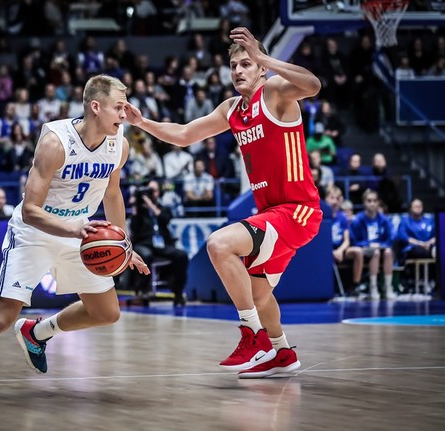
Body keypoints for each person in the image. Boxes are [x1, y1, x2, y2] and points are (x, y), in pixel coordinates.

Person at [0, 74, 149, 401]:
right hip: (35, 231)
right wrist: (71, 229)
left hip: (81, 230)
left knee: (107, 313)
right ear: (95, 107)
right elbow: (30, 210)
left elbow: (112, 195)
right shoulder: (56, 142)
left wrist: (124, 245)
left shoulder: (120, 144)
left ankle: (37, 332)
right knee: (0, 319)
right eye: (119, 107)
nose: (125, 114)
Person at [125, 27, 322, 378]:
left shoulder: (276, 92)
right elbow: (185, 135)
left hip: (297, 210)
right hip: (272, 214)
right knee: (258, 293)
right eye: (234, 66)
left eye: (247, 64)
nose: (239, 71)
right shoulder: (232, 109)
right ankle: (282, 352)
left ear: (261, 69)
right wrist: (144, 123)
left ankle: (253, 334)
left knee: (219, 244)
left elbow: (313, 85)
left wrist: (265, 59)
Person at [129, 179, 189, 306]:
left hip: (162, 245)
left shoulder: (162, 208)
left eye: (154, 191)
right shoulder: (139, 211)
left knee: (182, 256)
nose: (151, 194)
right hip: (144, 243)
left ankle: (177, 292)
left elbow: (166, 219)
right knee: (146, 255)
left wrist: (151, 205)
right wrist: (135, 206)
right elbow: (134, 228)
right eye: (149, 191)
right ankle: (144, 291)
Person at [349, 189, 396, 300]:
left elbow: (390, 238)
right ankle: (373, 287)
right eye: (369, 201)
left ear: (378, 202)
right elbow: (353, 240)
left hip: (380, 247)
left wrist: (381, 244)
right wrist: (368, 244)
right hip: (364, 248)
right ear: (364, 202)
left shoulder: (383, 219)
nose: (372, 204)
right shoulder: (358, 219)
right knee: (375, 253)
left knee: (388, 252)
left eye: (374, 201)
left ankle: (388, 287)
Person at [325, 186, 364, 296]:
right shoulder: (321, 215)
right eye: (332, 198)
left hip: (339, 249)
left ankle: (355, 285)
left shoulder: (342, 217)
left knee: (358, 251)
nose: (335, 201)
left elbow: (346, 240)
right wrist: (331, 251)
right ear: (326, 199)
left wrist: (340, 250)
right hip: (326, 250)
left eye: (337, 199)